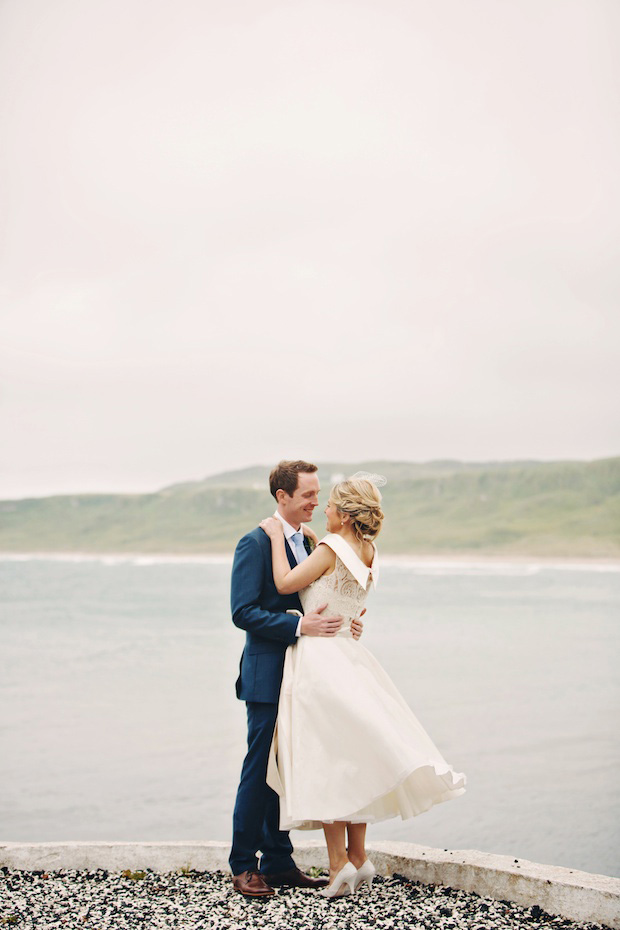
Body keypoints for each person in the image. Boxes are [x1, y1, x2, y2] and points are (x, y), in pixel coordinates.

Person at [260, 473, 466, 898]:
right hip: (351, 657)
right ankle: (359, 857)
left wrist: (276, 536)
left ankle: (338, 866)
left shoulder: (330, 548)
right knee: (354, 756)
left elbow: (285, 584)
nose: (325, 509)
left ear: (347, 514)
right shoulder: (368, 551)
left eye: (332, 504)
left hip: (319, 660)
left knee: (328, 759)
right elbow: (347, 599)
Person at [229, 460, 364, 898]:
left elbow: (319, 597)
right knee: (258, 771)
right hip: (268, 675)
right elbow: (243, 612)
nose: (315, 501)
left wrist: (347, 622)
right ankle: (244, 865)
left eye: (317, 493)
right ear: (281, 497)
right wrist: (297, 627)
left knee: (286, 771)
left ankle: (281, 861)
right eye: (307, 494)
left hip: (308, 678)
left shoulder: (310, 541)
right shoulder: (253, 543)